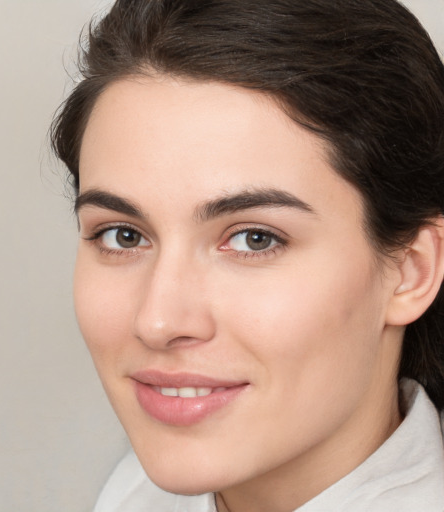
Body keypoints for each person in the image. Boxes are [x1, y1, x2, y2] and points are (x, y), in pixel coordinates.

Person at [50, 0, 444, 510]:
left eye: (254, 239)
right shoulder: (134, 495)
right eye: (123, 235)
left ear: (412, 271)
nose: (158, 321)